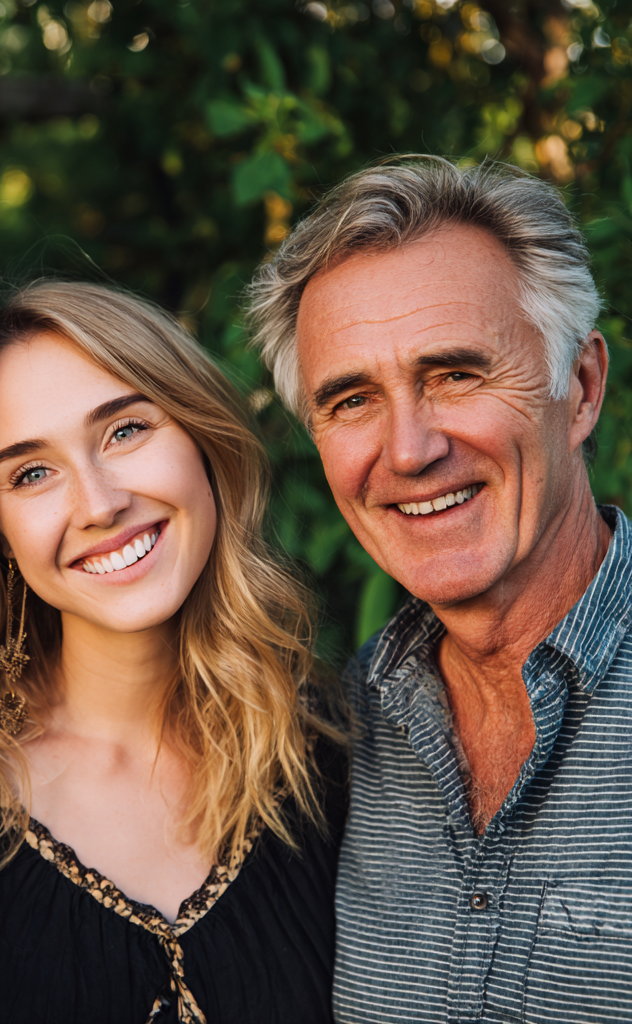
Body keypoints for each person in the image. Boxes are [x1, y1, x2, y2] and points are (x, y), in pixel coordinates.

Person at [0, 281, 347, 1024]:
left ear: (201, 437)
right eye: (31, 473)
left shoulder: (343, 758)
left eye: (125, 430)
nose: (98, 504)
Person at [248, 155, 632, 1023]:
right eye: (350, 400)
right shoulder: (330, 746)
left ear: (579, 389)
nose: (411, 449)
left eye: (455, 374)